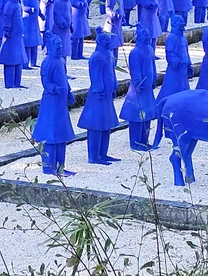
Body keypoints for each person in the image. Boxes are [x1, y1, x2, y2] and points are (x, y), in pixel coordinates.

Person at [31, 35, 75, 175]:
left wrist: (68, 92)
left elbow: (64, 78)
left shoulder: (61, 61)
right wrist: (55, 88)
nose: (60, 48)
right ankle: (49, 168)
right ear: (50, 47)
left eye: (61, 45)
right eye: (57, 45)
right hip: (51, 102)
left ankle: (60, 166)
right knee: (50, 133)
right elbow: (46, 81)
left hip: (61, 103)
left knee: (61, 135)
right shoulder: (48, 62)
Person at [78, 29, 120, 164]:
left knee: (106, 124)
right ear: (100, 42)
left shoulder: (108, 54)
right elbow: (95, 75)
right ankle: (94, 157)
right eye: (106, 40)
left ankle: (103, 153)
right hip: (99, 96)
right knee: (96, 124)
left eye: (109, 40)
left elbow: (112, 71)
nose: (109, 42)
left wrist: (114, 85)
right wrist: (98, 89)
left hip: (107, 95)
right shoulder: (96, 57)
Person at [153, 15, 192, 146]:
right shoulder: (172, 37)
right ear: (174, 24)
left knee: (184, 96)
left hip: (182, 72)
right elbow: (170, 54)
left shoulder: (182, 37)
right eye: (180, 22)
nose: (182, 23)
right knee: (171, 97)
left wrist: (189, 64)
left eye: (182, 22)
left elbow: (186, 52)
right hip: (175, 72)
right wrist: (177, 63)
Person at [120, 24, 157, 150]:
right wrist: (138, 83)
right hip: (139, 90)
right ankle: (135, 143)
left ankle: (144, 140)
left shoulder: (150, 49)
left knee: (147, 115)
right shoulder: (135, 52)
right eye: (145, 35)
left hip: (148, 89)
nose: (147, 37)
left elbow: (153, 65)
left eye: (148, 35)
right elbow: (135, 70)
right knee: (136, 116)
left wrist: (154, 78)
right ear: (139, 37)